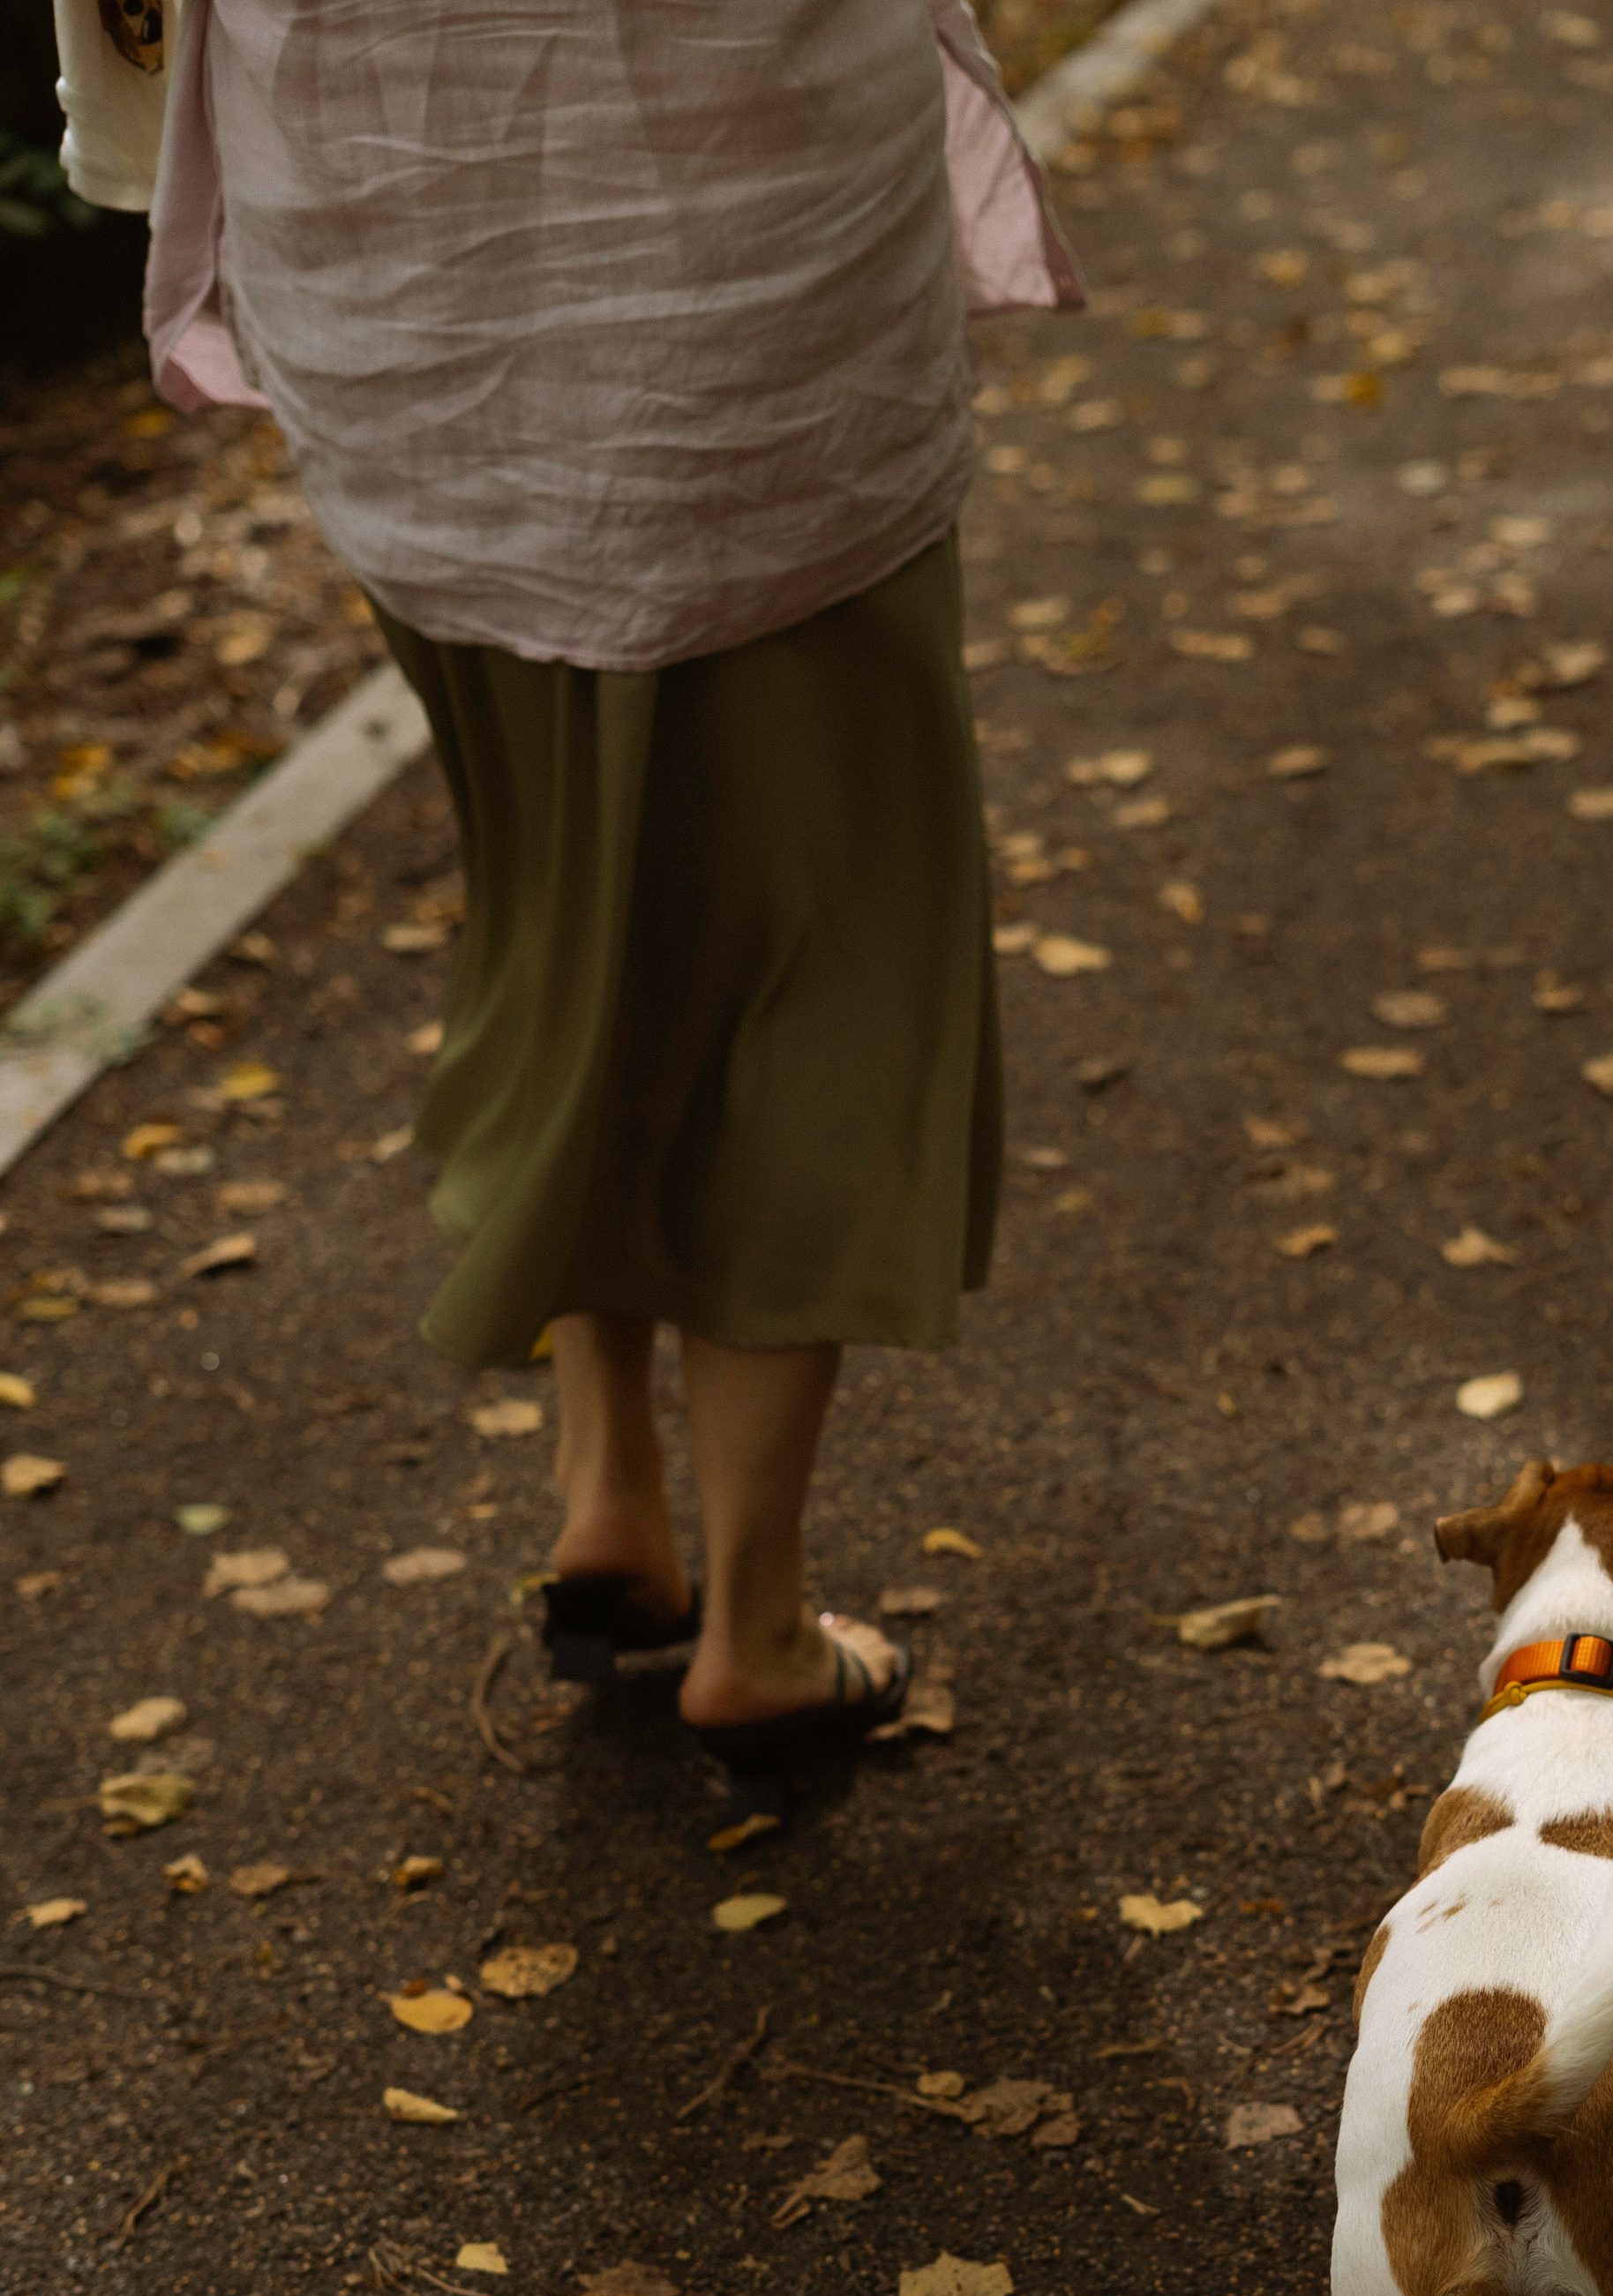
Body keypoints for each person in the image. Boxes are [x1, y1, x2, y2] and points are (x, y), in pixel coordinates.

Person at [53, 0, 1080, 1793]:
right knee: (822, 946)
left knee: (567, 900)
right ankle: (756, 1629)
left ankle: (607, 1493)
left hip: (403, 251)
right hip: (741, 261)